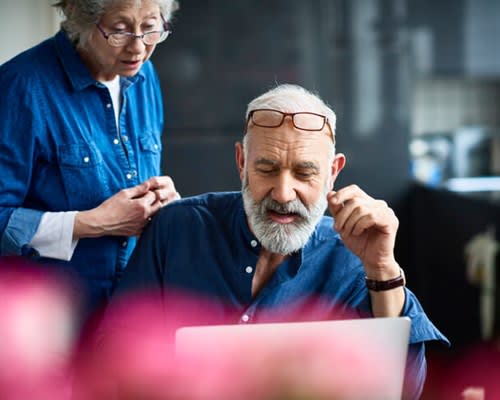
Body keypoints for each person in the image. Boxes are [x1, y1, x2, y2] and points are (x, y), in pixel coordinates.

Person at [113, 84, 449, 399]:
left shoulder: (352, 255)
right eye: (267, 169)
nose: (283, 193)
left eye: (304, 173)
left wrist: (381, 267)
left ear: (333, 171)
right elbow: (113, 353)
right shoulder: (176, 230)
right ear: (242, 163)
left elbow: (404, 389)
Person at [0, 0, 180, 319]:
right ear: (77, 15)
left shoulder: (144, 76)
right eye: (119, 30)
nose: (138, 47)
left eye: (151, 27)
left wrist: (161, 203)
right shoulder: (19, 87)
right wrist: (93, 223)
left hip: (131, 311)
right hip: (51, 320)